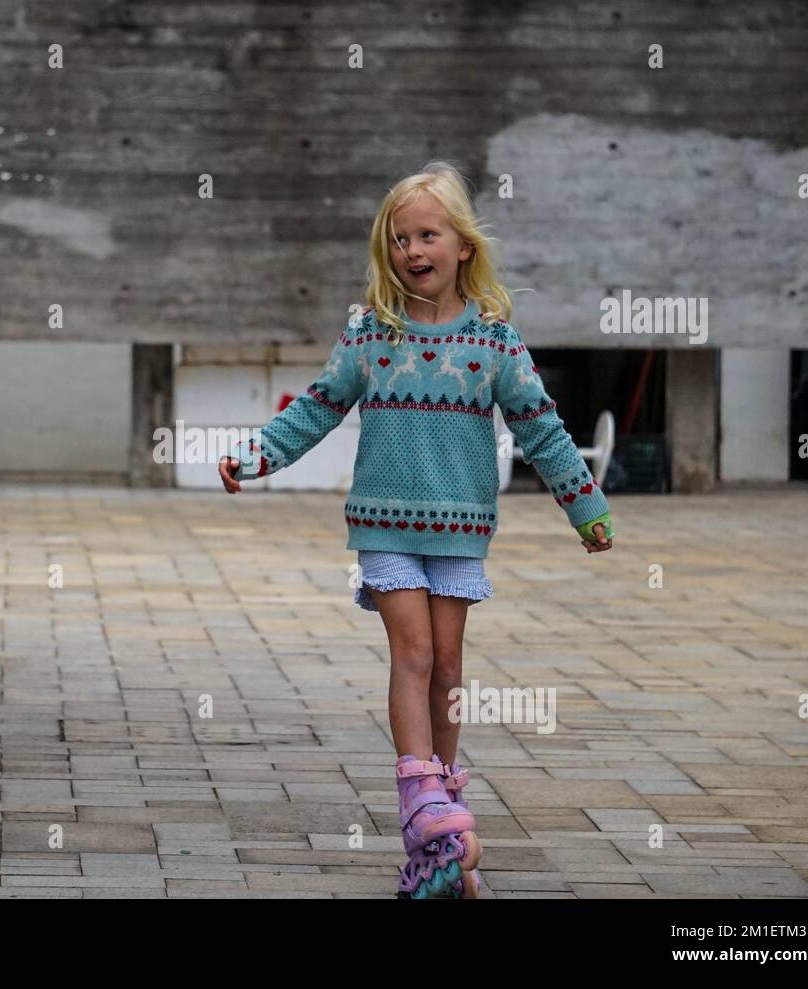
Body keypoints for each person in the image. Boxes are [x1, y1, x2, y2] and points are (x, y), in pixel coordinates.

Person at [218, 161, 614, 898]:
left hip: (461, 527)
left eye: (427, 234)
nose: (411, 249)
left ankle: (440, 817)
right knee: (416, 651)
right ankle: (423, 801)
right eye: (399, 238)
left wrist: (583, 504)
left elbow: (544, 428)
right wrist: (257, 453)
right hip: (384, 524)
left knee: (452, 667)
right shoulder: (373, 333)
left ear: (462, 244)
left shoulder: (494, 341)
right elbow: (317, 405)